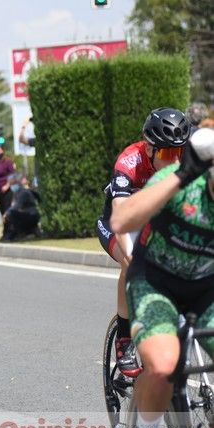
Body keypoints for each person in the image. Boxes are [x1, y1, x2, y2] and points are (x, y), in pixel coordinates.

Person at [110, 128, 214, 428]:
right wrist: (181, 176)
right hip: (156, 282)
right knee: (163, 365)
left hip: (206, 287)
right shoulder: (181, 181)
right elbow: (121, 219)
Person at [96, 107, 190, 376]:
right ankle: (124, 339)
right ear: (149, 148)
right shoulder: (129, 162)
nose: (174, 161)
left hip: (155, 222)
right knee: (131, 262)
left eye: (179, 153)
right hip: (118, 222)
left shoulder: (187, 160)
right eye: (166, 153)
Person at [0, 173, 41, 241]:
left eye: (13, 184)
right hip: (30, 214)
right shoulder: (19, 192)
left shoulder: (23, 192)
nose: (12, 186)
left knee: (12, 214)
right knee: (12, 213)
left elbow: (17, 206)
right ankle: (25, 232)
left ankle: (22, 233)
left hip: (32, 215)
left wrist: (6, 213)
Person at [0, 146, 16, 216]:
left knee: (7, 211)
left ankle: (9, 226)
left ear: (2, 151)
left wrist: (7, 186)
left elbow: (13, 175)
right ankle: (5, 226)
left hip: (6, 190)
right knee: (2, 211)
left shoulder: (7, 162)